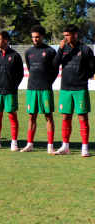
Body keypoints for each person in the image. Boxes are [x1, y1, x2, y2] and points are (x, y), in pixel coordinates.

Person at [52, 24, 95, 157]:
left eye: (67, 36)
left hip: (80, 88)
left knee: (82, 117)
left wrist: (83, 78)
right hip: (65, 89)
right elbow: (54, 64)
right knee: (65, 116)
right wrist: (59, 49)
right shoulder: (63, 48)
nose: (65, 38)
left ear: (75, 34)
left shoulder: (85, 49)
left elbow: (93, 67)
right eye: (64, 36)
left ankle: (85, 148)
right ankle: (65, 147)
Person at [20, 26, 58, 154]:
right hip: (32, 88)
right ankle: (30, 144)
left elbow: (55, 70)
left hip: (45, 88)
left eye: (37, 37)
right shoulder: (29, 52)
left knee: (48, 116)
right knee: (32, 116)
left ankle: (50, 146)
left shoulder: (50, 51)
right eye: (33, 37)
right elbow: (30, 68)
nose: (35, 39)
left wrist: (48, 82)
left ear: (42, 36)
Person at [0, 31, 24, 151]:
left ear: (5, 40)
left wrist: (13, 86)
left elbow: (20, 74)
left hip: (10, 91)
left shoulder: (15, 56)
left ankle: (14, 143)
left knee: (12, 116)